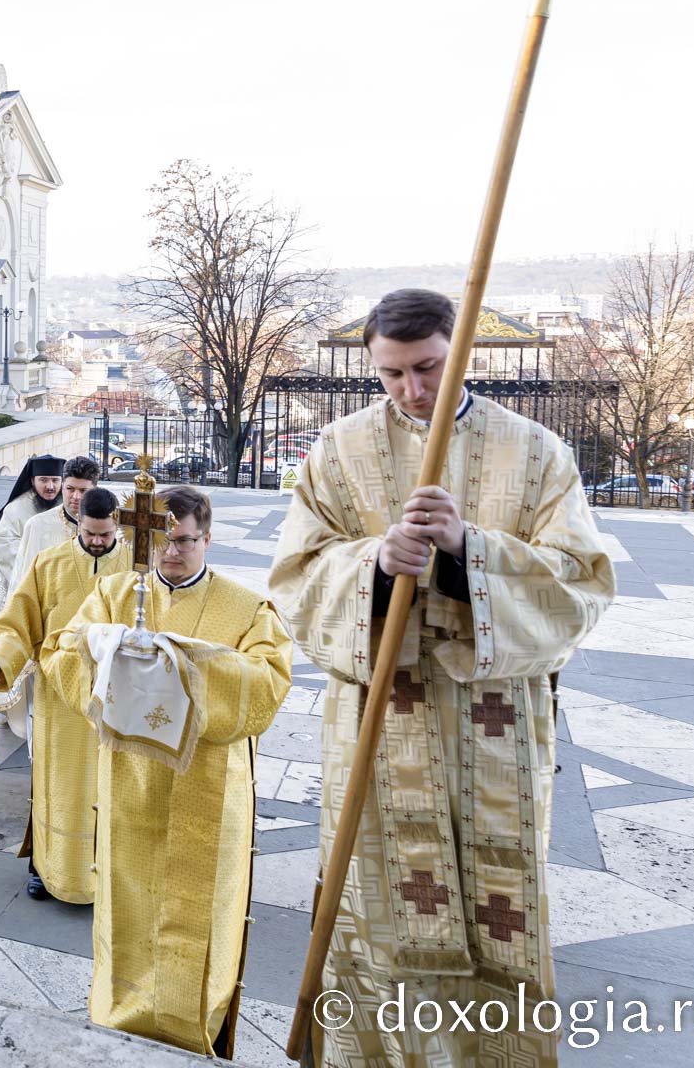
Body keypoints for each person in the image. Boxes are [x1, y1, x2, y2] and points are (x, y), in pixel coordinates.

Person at [269, 288, 614, 1067]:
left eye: (428, 368)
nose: (412, 391)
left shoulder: (534, 452)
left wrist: (468, 552)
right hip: (377, 725)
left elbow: (582, 588)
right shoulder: (338, 449)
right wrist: (376, 566)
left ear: (463, 353)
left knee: (498, 915)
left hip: (490, 728)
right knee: (376, 902)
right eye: (391, 374)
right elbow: (293, 579)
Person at [48, 483, 292, 1054]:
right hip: (130, 784)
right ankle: (119, 1017)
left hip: (207, 791)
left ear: (208, 538)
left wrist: (191, 665)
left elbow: (268, 686)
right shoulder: (113, 596)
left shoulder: (246, 607)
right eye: (160, 540)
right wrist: (104, 650)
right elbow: (61, 654)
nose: (171, 553)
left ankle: (193, 1028)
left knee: (201, 915)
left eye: (184, 541)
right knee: (127, 910)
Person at [0, 484, 130, 903]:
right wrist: (0, 659)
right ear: (77, 523)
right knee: (56, 786)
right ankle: (44, 870)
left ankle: (108, 878)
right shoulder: (51, 563)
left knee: (109, 791)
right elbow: (16, 619)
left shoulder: (136, 567)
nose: (97, 542)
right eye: (90, 533)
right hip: (58, 698)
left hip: (113, 700)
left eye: (105, 534)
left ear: (116, 525)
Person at [0, 454, 64, 614]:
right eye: (43, 480)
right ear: (32, 481)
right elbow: (4, 545)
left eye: (55, 480)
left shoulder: (68, 508)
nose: (50, 486)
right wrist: (40, 574)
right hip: (29, 588)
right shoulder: (15, 510)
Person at [11, 455, 102, 591]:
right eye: (70, 489)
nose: (76, 497)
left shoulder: (109, 527)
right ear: (63, 487)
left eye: (83, 491)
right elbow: (23, 581)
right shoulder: (37, 525)